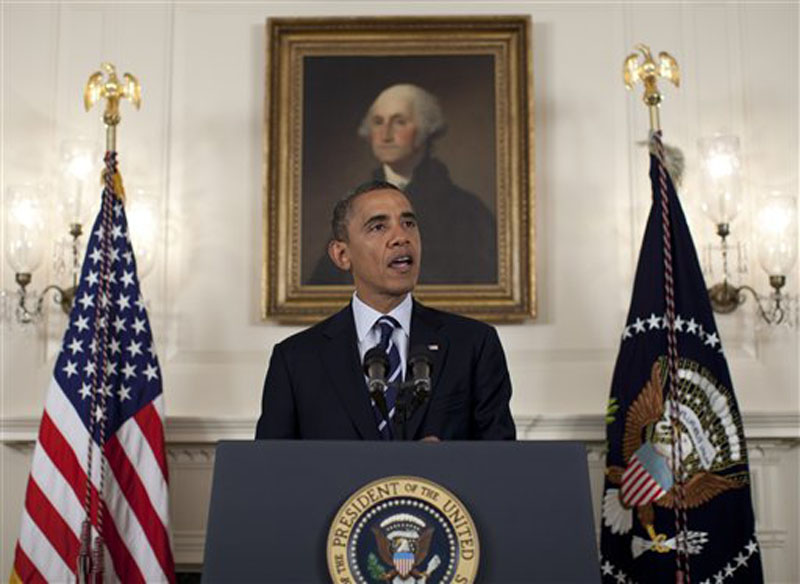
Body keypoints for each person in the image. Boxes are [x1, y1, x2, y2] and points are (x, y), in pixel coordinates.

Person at [257, 181, 515, 440]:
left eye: (409, 224)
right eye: (378, 227)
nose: (401, 237)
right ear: (342, 255)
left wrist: (446, 463)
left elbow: (500, 465)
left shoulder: (473, 344)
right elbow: (270, 470)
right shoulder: (296, 360)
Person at [308, 83, 497, 285]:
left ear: (425, 129)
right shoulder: (354, 209)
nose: (386, 134)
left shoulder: (467, 211)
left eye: (399, 122)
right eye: (378, 122)